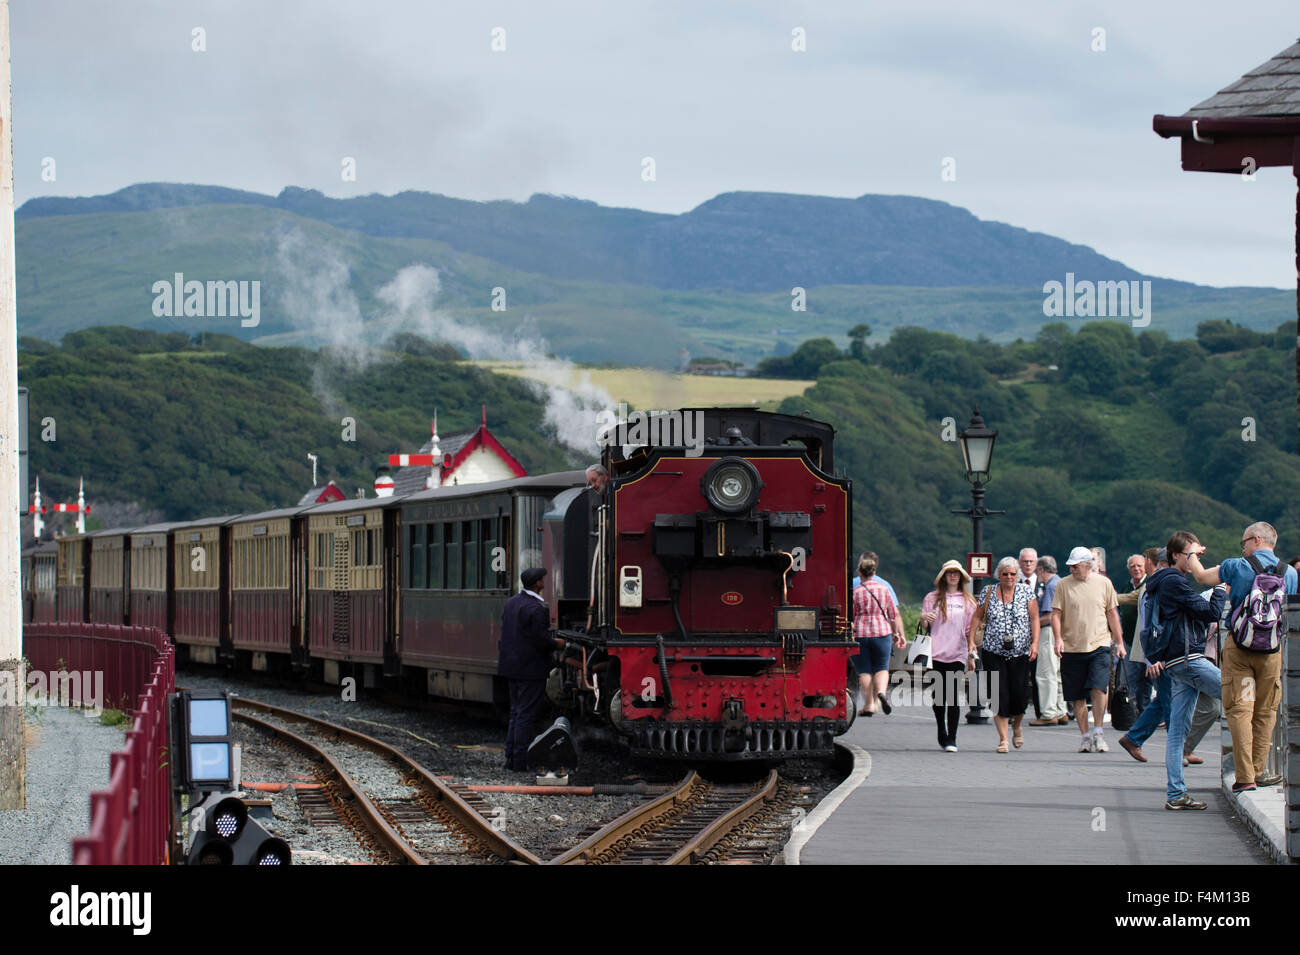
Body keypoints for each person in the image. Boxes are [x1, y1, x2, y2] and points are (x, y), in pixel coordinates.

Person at [1184, 521, 1298, 792]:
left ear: (1257, 540)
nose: (1243, 547)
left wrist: (1191, 553)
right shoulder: (1291, 573)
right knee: (1266, 711)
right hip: (1271, 650)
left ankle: (1245, 777)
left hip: (1240, 647)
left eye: (1244, 542)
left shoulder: (1237, 566)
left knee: (1239, 710)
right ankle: (1258, 771)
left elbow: (1200, 577)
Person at [1143, 532, 1226, 809]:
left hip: (1176, 663)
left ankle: (1176, 795)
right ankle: (1250, 770)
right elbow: (1211, 612)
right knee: (1238, 695)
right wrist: (1221, 589)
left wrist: (1194, 554)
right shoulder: (1174, 581)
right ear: (1176, 556)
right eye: (1191, 555)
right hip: (1189, 659)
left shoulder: (1161, 582)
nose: (1196, 561)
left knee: (1177, 733)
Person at [1052, 546, 1124, 753]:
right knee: (1077, 695)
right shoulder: (1063, 585)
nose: (1072, 570)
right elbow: (1056, 613)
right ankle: (1085, 736)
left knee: (1099, 687)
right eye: (1071, 566)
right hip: (1072, 646)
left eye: (1076, 566)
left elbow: (1112, 614)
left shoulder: (1104, 583)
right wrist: (1058, 639)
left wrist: (1119, 642)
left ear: (1087, 565)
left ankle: (1099, 731)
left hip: (1099, 643)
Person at [497, 568, 566, 772]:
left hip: (511, 667)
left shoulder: (511, 603)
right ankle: (520, 762)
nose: (544, 581)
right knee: (526, 714)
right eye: (542, 579)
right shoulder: (537, 608)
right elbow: (541, 640)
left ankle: (510, 758)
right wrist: (558, 644)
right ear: (537, 583)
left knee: (515, 712)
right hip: (530, 669)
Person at [969, 556, 1039, 753]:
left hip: (1020, 652)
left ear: (1017, 575)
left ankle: (1017, 725)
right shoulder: (989, 591)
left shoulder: (1026, 592)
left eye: (1012, 574)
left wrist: (1035, 643)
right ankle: (1003, 739)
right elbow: (976, 617)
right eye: (1005, 574)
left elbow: (1034, 618)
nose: (1009, 577)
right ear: (998, 575)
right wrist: (971, 643)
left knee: (1020, 695)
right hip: (993, 651)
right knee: (998, 695)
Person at [1117, 549, 1172, 763]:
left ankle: (1134, 737)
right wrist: (1152, 656)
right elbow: (1153, 623)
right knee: (1168, 699)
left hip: (1158, 651)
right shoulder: (1158, 583)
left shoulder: (1153, 583)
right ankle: (1181, 749)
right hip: (1157, 651)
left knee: (1164, 698)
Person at [919, 560, 977, 752]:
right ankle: (941, 730)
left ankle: (951, 738)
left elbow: (970, 630)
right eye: (949, 573)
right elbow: (925, 627)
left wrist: (971, 652)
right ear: (943, 576)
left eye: (956, 573)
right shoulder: (931, 598)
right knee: (938, 696)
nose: (953, 576)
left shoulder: (968, 601)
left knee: (952, 696)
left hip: (957, 652)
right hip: (935, 652)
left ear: (961, 577)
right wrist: (923, 619)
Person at [852, 552, 906, 716]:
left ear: (860, 573)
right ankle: (881, 693)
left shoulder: (856, 591)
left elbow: (852, 615)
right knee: (882, 668)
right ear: (874, 572)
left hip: (861, 633)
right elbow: (893, 614)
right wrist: (898, 634)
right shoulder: (884, 589)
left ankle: (869, 705)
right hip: (882, 632)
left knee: (864, 671)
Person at [1028, 555, 1069, 725]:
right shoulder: (1061, 582)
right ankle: (1061, 710)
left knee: (1046, 673)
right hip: (1061, 632)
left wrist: (1033, 625)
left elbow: (1051, 615)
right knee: (1058, 673)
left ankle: (1048, 712)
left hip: (1049, 632)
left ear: (1041, 570)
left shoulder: (1051, 586)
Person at [1117, 552, 1153, 713]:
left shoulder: (1149, 585)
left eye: (1139, 565)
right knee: (1128, 678)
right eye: (1133, 566)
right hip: (1128, 639)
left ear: (1145, 566)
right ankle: (1129, 711)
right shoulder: (1126, 586)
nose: (1136, 569)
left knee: (1144, 678)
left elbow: (1128, 598)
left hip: (1144, 640)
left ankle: (1143, 709)